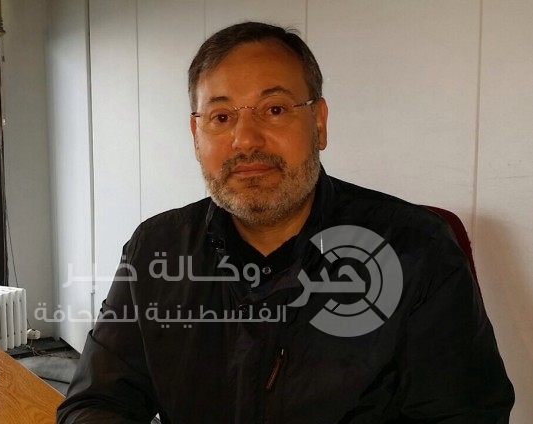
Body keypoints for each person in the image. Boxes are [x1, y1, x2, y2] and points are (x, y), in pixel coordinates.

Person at [57, 22, 514, 423]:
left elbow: (465, 414)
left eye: (274, 109)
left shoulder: (417, 251)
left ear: (319, 122)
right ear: (196, 137)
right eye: (221, 117)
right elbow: (96, 401)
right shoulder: (156, 249)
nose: (245, 140)